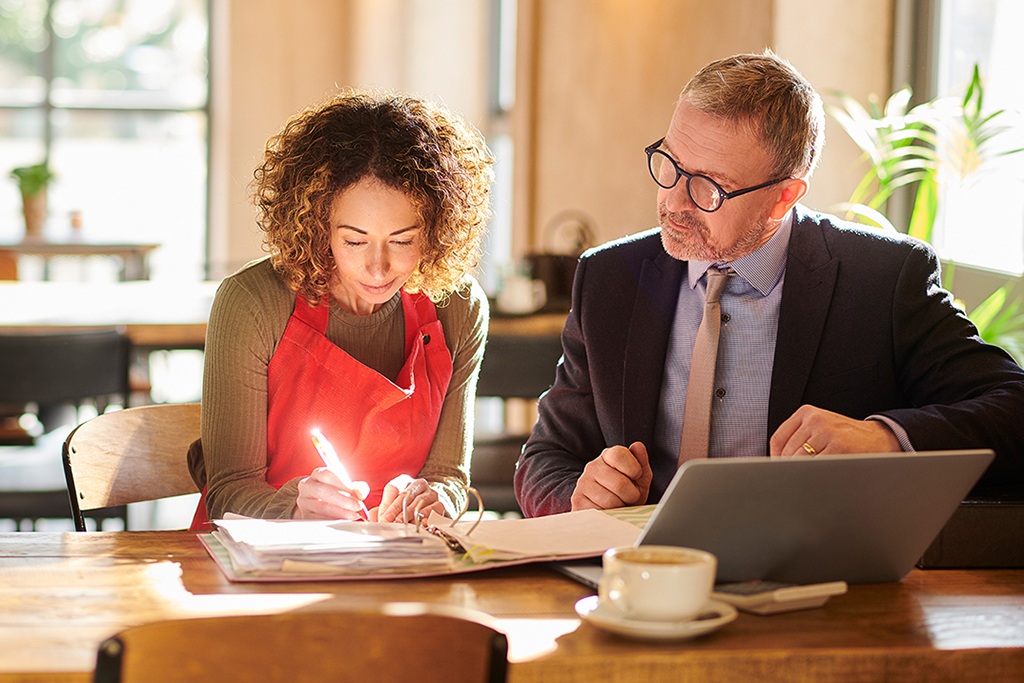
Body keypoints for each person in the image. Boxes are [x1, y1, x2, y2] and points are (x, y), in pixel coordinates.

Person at [514, 50, 1024, 518]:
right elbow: (545, 457)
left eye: (709, 187)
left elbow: (1013, 410)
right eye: (669, 165)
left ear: (785, 197)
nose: (673, 202)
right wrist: (578, 494)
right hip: (642, 585)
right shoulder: (608, 278)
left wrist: (882, 438)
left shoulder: (883, 281)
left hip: (817, 584)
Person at [188, 89, 494, 530]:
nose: (377, 267)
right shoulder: (253, 303)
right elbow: (227, 491)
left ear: (436, 231)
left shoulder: (458, 308)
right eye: (354, 240)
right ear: (318, 226)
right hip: (257, 567)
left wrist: (435, 499)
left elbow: (448, 476)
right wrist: (295, 507)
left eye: (403, 240)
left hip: (395, 564)